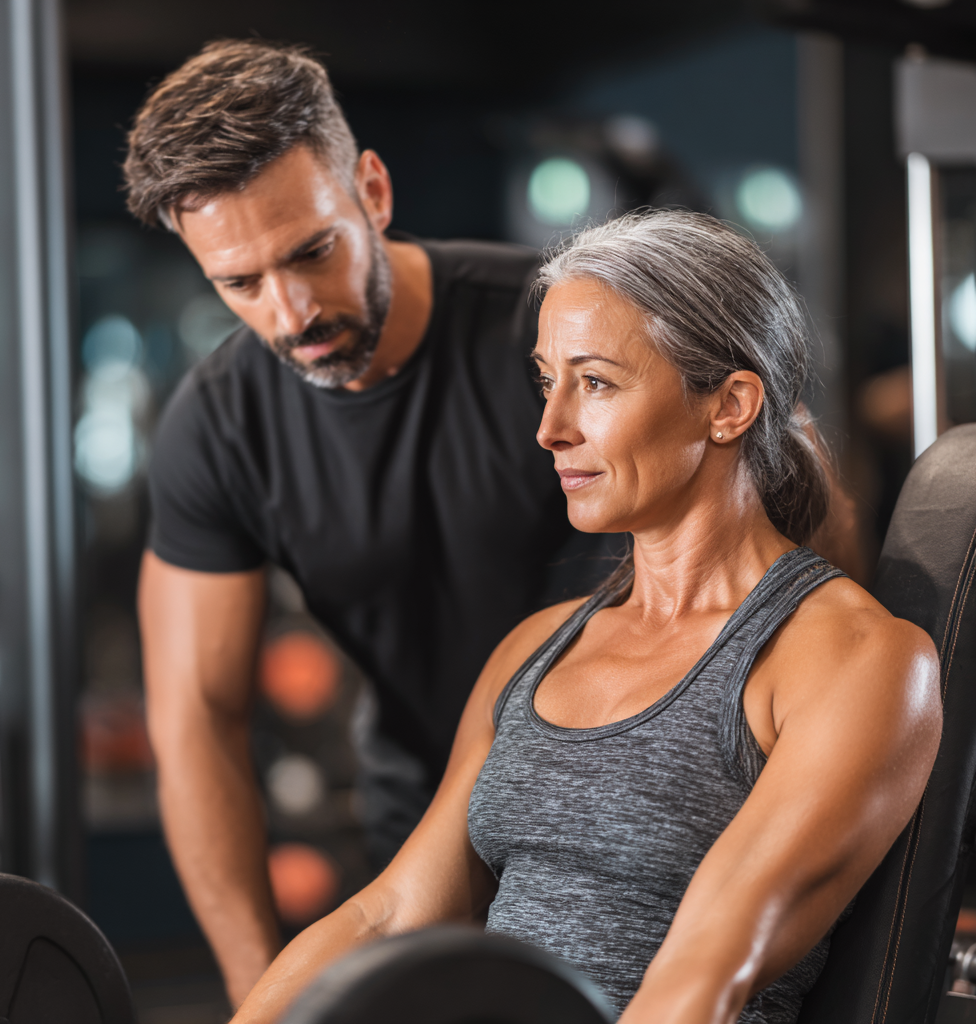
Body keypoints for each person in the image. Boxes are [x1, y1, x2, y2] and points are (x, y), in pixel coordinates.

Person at [124, 40, 861, 1008]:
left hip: (678, 812)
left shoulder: (563, 319)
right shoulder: (219, 425)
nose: (291, 310)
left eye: (312, 251)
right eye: (241, 283)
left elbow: (785, 465)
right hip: (451, 806)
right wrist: (259, 993)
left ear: (372, 193)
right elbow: (198, 723)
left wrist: (818, 678)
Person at [230, 211, 940, 1024]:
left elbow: (700, 975)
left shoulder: (850, 659)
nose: (550, 428)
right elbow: (387, 914)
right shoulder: (536, 650)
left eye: (595, 383)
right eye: (546, 380)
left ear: (730, 405)